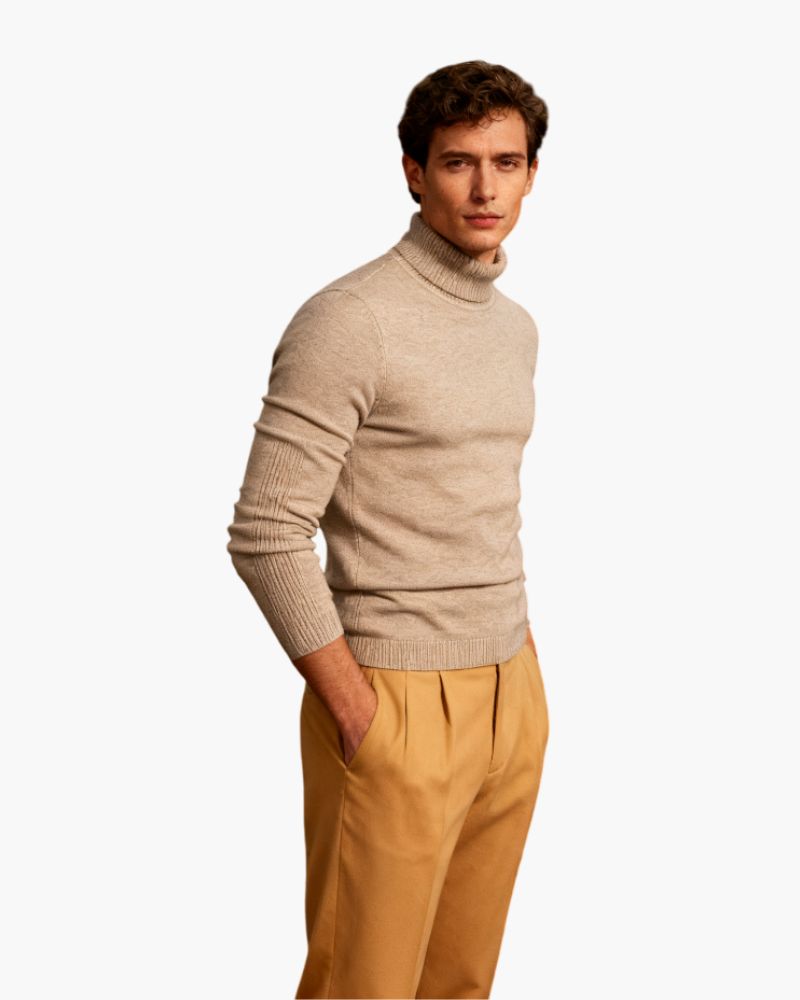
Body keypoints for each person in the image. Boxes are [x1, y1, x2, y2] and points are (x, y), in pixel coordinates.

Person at [227, 59, 550, 1000]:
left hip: (511, 692)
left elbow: (478, 496)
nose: (484, 189)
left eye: (506, 162)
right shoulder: (351, 320)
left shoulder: (515, 328)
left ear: (532, 174)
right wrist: (356, 709)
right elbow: (266, 530)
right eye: (457, 162)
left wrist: (520, 658)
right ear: (414, 171)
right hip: (394, 695)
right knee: (362, 986)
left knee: (460, 982)